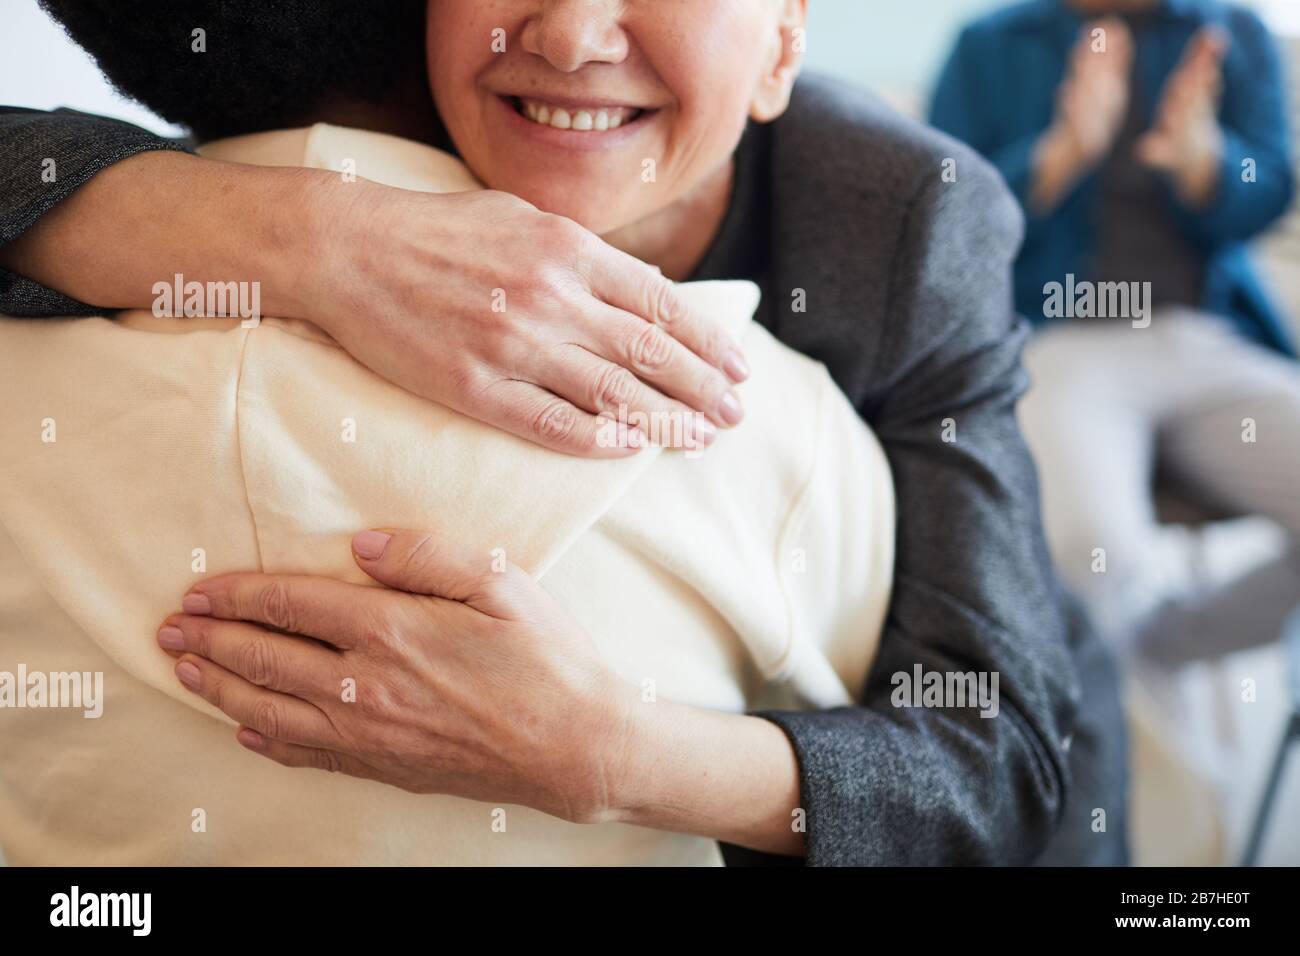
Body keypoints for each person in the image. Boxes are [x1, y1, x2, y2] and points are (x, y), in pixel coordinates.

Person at [0, 0, 1127, 865]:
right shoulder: (359, 127)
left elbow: (1007, 756)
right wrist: (315, 237)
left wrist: (608, 750)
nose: (572, 33)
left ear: (782, 46)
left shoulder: (906, 223)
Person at [931, 0, 1300, 658]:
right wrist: (1060, 154)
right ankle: (1109, 698)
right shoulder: (988, 44)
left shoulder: (1232, 33)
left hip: (1208, 339)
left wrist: (1207, 162)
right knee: (1089, 553)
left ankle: (1158, 649)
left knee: (1118, 629)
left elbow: (1266, 187)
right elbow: (944, 216)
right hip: (1063, 342)